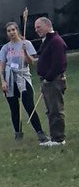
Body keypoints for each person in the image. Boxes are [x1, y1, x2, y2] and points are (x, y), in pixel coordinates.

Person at [0, 21, 48, 142]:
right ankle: (18, 133)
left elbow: (32, 62)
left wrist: (25, 51)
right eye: (9, 31)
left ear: (17, 30)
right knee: (14, 109)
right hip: (10, 79)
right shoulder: (6, 48)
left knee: (29, 106)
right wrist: (3, 81)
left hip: (23, 77)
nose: (11, 32)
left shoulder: (26, 43)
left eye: (13, 30)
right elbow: (2, 66)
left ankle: (40, 133)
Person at [35, 16, 67, 146]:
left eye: (39, 27)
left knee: (55, 109)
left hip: (53, 81)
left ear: (47, 26)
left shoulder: (56, 42)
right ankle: (54, 137)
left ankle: (59, 139)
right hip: (47, 81)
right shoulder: (47, 41)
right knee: (50, 110)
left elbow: (59, 64)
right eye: (35, 28)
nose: (37, 30)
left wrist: (48, 78)